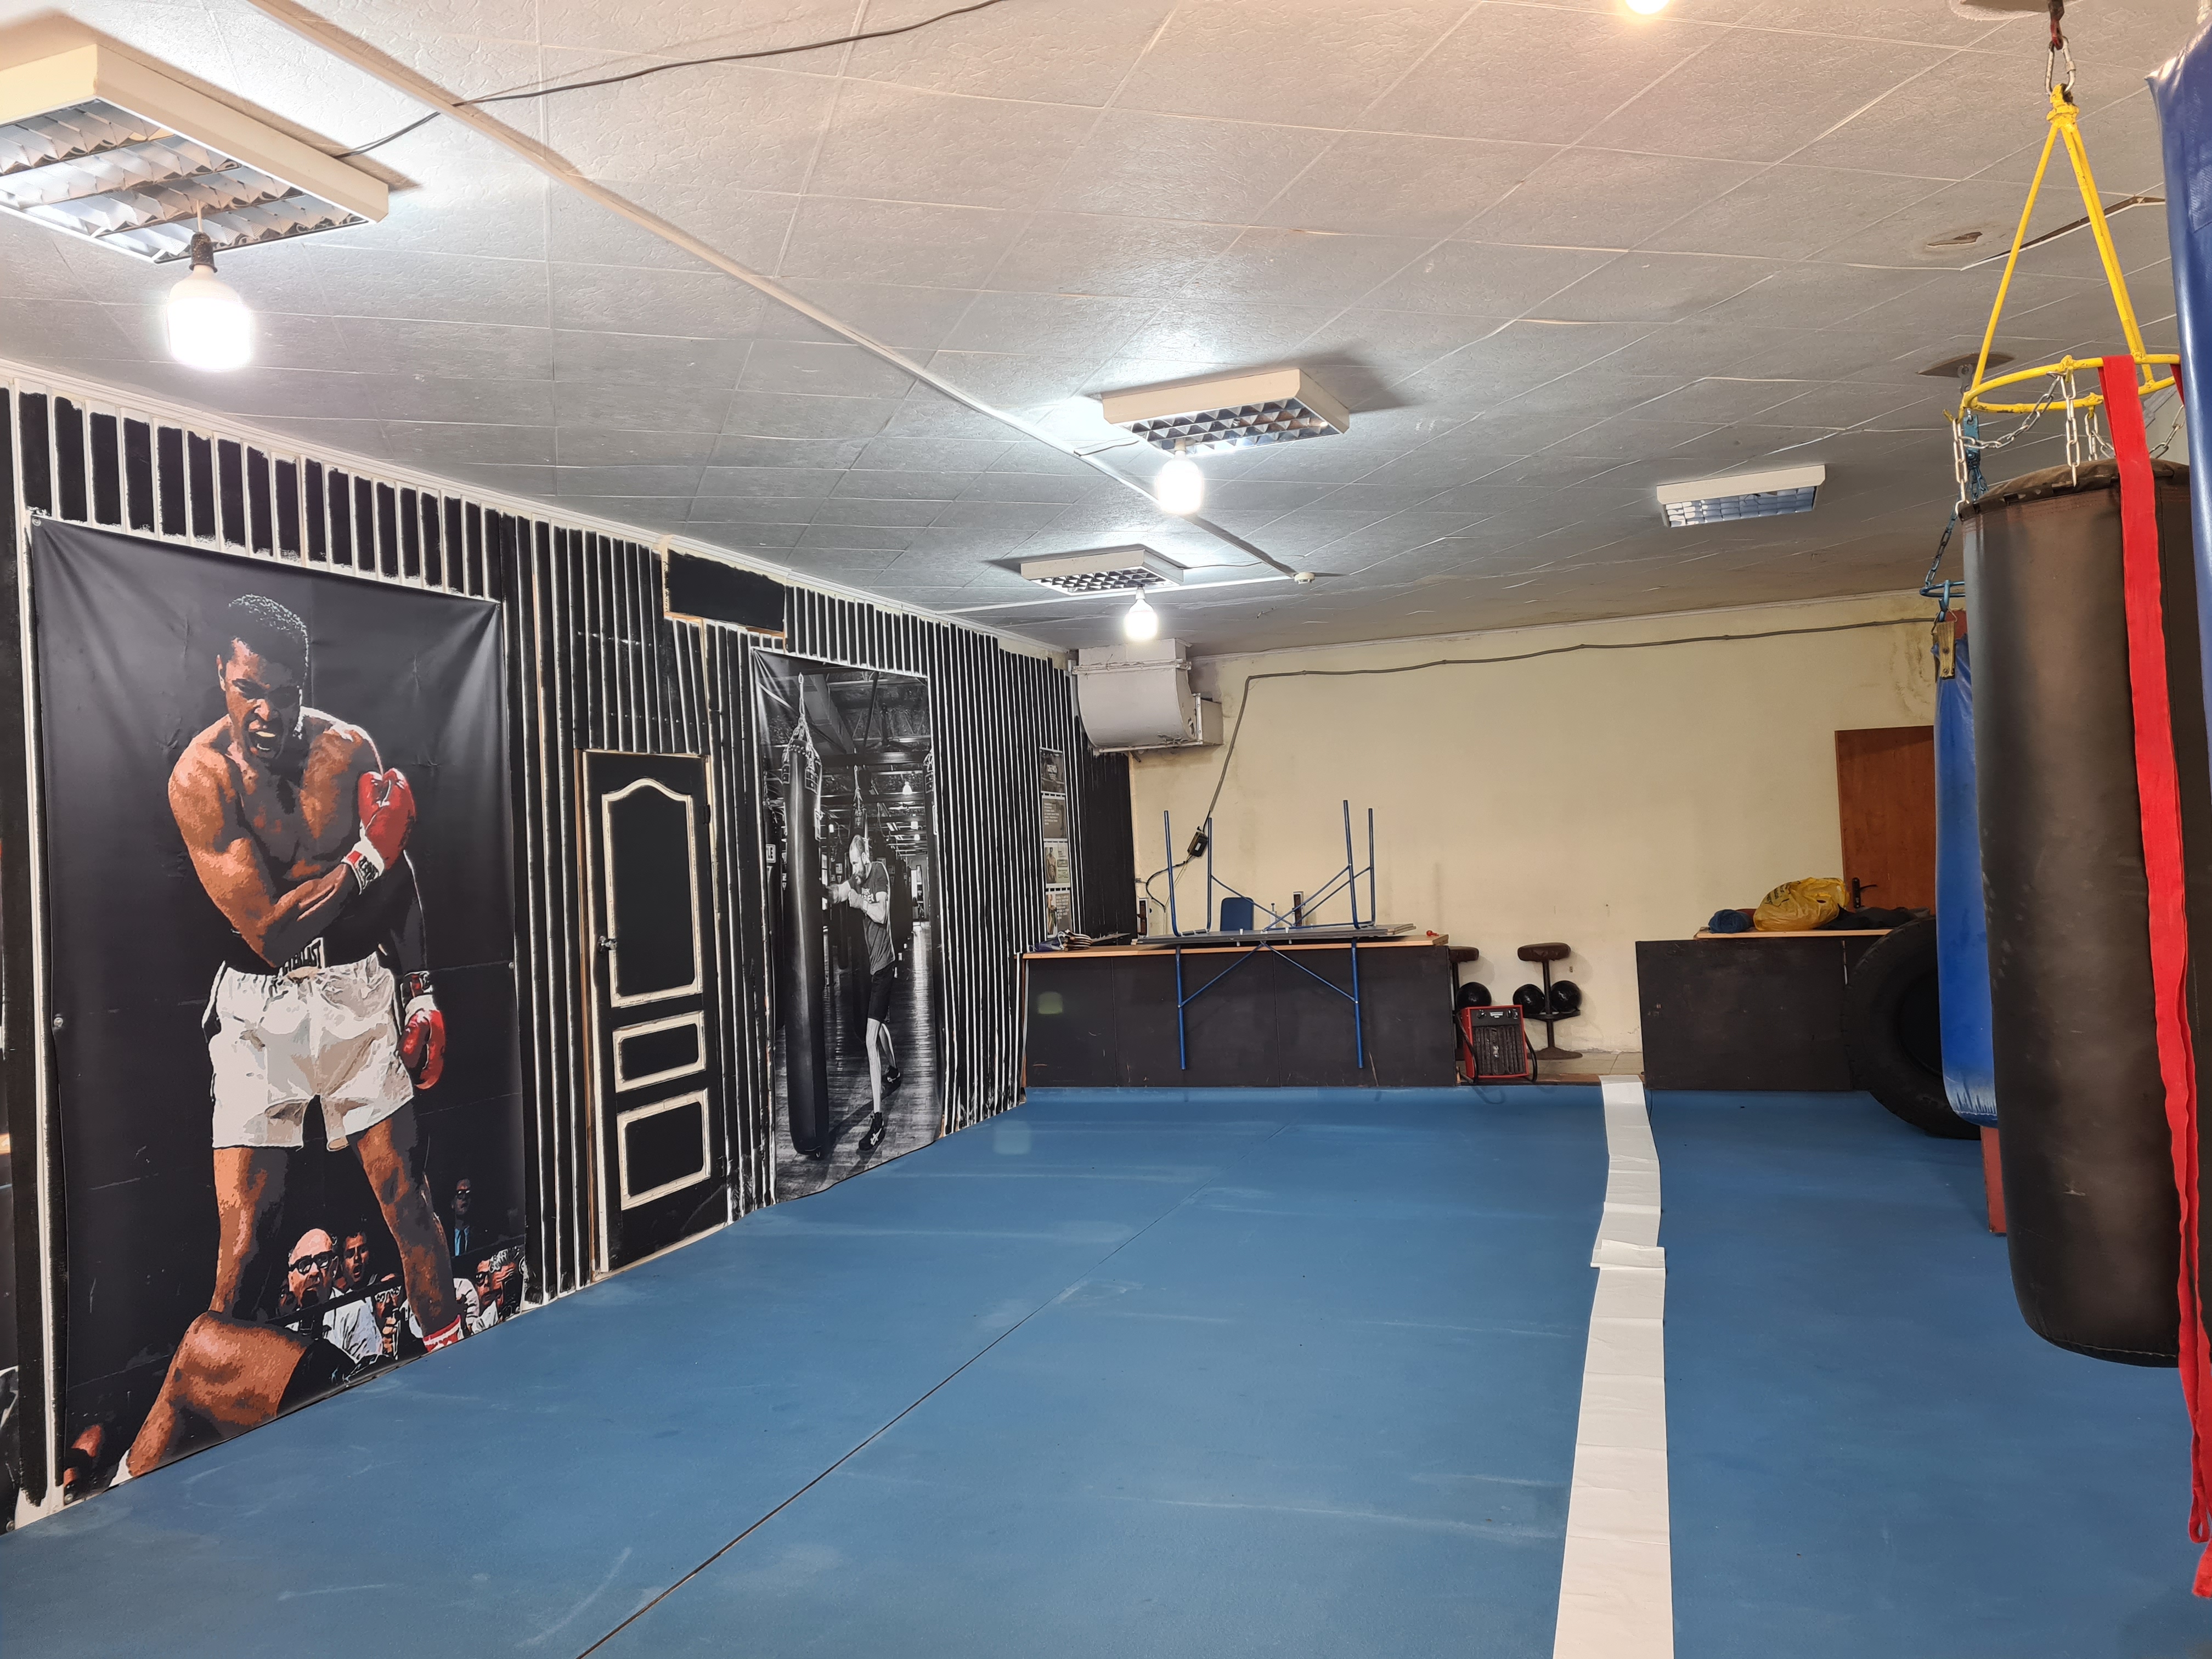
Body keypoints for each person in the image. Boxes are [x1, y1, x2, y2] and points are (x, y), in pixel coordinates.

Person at [116, 594, 465, 1486]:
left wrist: (420, 990)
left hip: (355, 990)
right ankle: (186, 1463)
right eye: (249, 690)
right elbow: (273, 932)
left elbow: (398, 878)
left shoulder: (347, 750)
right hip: (258, 1003)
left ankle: (465, 1380)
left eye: (284, 692)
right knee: (244, 1247)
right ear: (221, 677)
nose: (268, 712)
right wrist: (364, 858)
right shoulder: (200, 778)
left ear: (304, 683)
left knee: (407, 1199)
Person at [828, 830, 899, 1151]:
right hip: (873, 967)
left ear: (866, 858)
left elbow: (882, 915)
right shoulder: (856, 878)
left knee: (870, 1040)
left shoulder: (879, 872)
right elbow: (838, 893)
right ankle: (894, 1071)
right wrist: (818, 890)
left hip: (885, 966)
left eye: (857, 863)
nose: (854, 869)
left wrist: (859, 901)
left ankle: (877, 1121)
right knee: (880, 1024)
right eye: (851, 864)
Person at [444, 1176, 476, 1260]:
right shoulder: (443, 1239)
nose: (464, 1197)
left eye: (468, 1193)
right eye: (460, 1193)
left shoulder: (482, 1236)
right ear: (453, 1203)